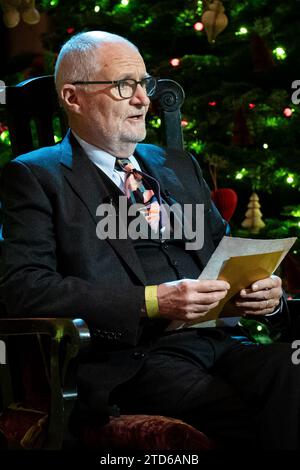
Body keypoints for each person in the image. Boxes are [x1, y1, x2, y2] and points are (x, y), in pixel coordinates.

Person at [0, 31, 299, 450]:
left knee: (291, 368)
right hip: (134, 359)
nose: (143, 99)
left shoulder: (176, 163)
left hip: (222, 342)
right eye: (125, 86)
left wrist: (265, 293)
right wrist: (153, 300)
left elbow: (224, 251)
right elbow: (25, 288)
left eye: (145, 84)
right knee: (240, 413)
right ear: (73, 97)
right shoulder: (36, 176)